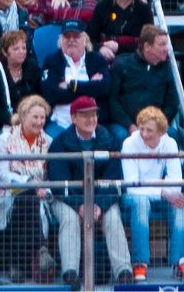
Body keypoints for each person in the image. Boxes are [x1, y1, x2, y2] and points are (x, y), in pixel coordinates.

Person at [46, 95, 130, 287]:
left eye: (93, 115)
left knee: (113, 217)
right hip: (67, 199)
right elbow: (59, 182)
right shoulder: (59, 143)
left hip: (100, 200)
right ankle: (70, 273)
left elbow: (114, 181)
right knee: (69, 218)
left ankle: (123, 271)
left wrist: (97, 205)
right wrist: (80, 205)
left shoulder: (109, 140)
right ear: (73, 118)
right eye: (85, 116)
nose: (90, 119)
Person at [121, 104, 184, 282]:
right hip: (133, 197)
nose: (144, 134)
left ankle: (182, 262)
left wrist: (166, 193)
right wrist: (163, 191)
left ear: (161, 132)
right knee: (141, 202)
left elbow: (176, 182)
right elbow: (132, 185)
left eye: (150, 131)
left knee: (177, 203)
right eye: (142, 129)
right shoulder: (129, 143)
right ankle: (140, 264)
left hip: (158, 194)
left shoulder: (170, 143)